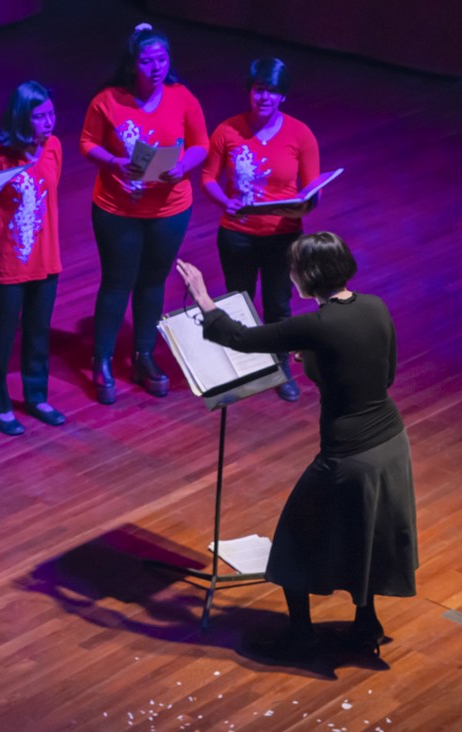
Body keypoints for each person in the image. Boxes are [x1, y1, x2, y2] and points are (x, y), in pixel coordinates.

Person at [176, 232, 417, 660]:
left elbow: (241, 339)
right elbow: (385, 376)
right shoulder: (374, 306)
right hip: (392, 444)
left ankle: (302, 634)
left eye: (293, 270)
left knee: (293, 541)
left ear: (307, 276)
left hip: (349, 455)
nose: (289, 277)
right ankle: (366, 624)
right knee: (368, 536)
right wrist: (323, 363)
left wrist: (203, 300)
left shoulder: (316, 325)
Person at [80, 23, 208, 404]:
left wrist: (183, 166)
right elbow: (87, 143)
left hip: (169, 207)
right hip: (118, 207)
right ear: (133, 63)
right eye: (147, 61)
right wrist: (113, 162)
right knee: (117, 282)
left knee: (153, 282)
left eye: (162, 59)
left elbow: (201, 144)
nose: (155, 67)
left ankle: (144, 355)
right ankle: (101, 360)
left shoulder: (182, 97)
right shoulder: (108, 100)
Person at [201, 57, 320, 402]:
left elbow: (312, 187)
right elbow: (208, 177)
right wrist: (225, 200)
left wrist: (308, 202)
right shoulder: (228, 131)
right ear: (250, 92)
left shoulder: (300, 134)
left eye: (272, 91)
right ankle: (241, 367)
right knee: (238, 302)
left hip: (283, 235)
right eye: (259, 90)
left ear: (283, 96)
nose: (264, 97)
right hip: (237, 232)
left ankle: (279, 369)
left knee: (278, 305)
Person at [0, 81, 65, 435]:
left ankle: (36, 395)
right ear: (21, 118)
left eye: (50, 114)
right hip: (9, 263)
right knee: (2, 333)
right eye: (39, 116)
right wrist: (10, 245)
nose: (48, 122)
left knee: (39, 330)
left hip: (47, 259)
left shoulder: (54, 148)